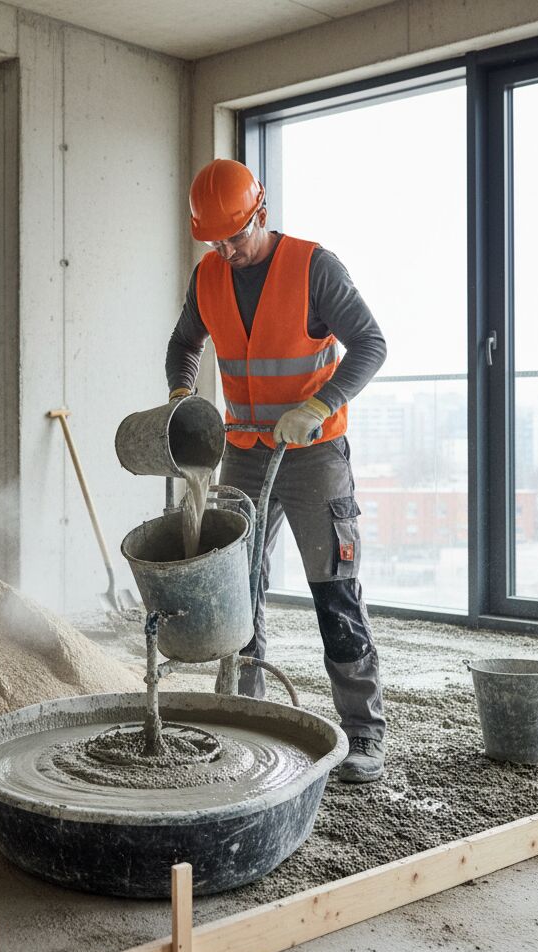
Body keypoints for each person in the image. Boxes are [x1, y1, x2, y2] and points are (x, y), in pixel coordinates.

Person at [166, 158, 387, 783]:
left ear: (260, 214)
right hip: (244, 449)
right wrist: (183, 393)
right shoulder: (209, 275)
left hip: (313, 453)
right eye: (215, 240)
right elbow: (184, 343)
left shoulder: (313, 267)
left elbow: (371, 344)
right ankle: (246, 718)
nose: (227, 250)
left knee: (333, 589)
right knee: (237, 588)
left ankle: (364, 733)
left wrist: (319, 405)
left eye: (236, 236)